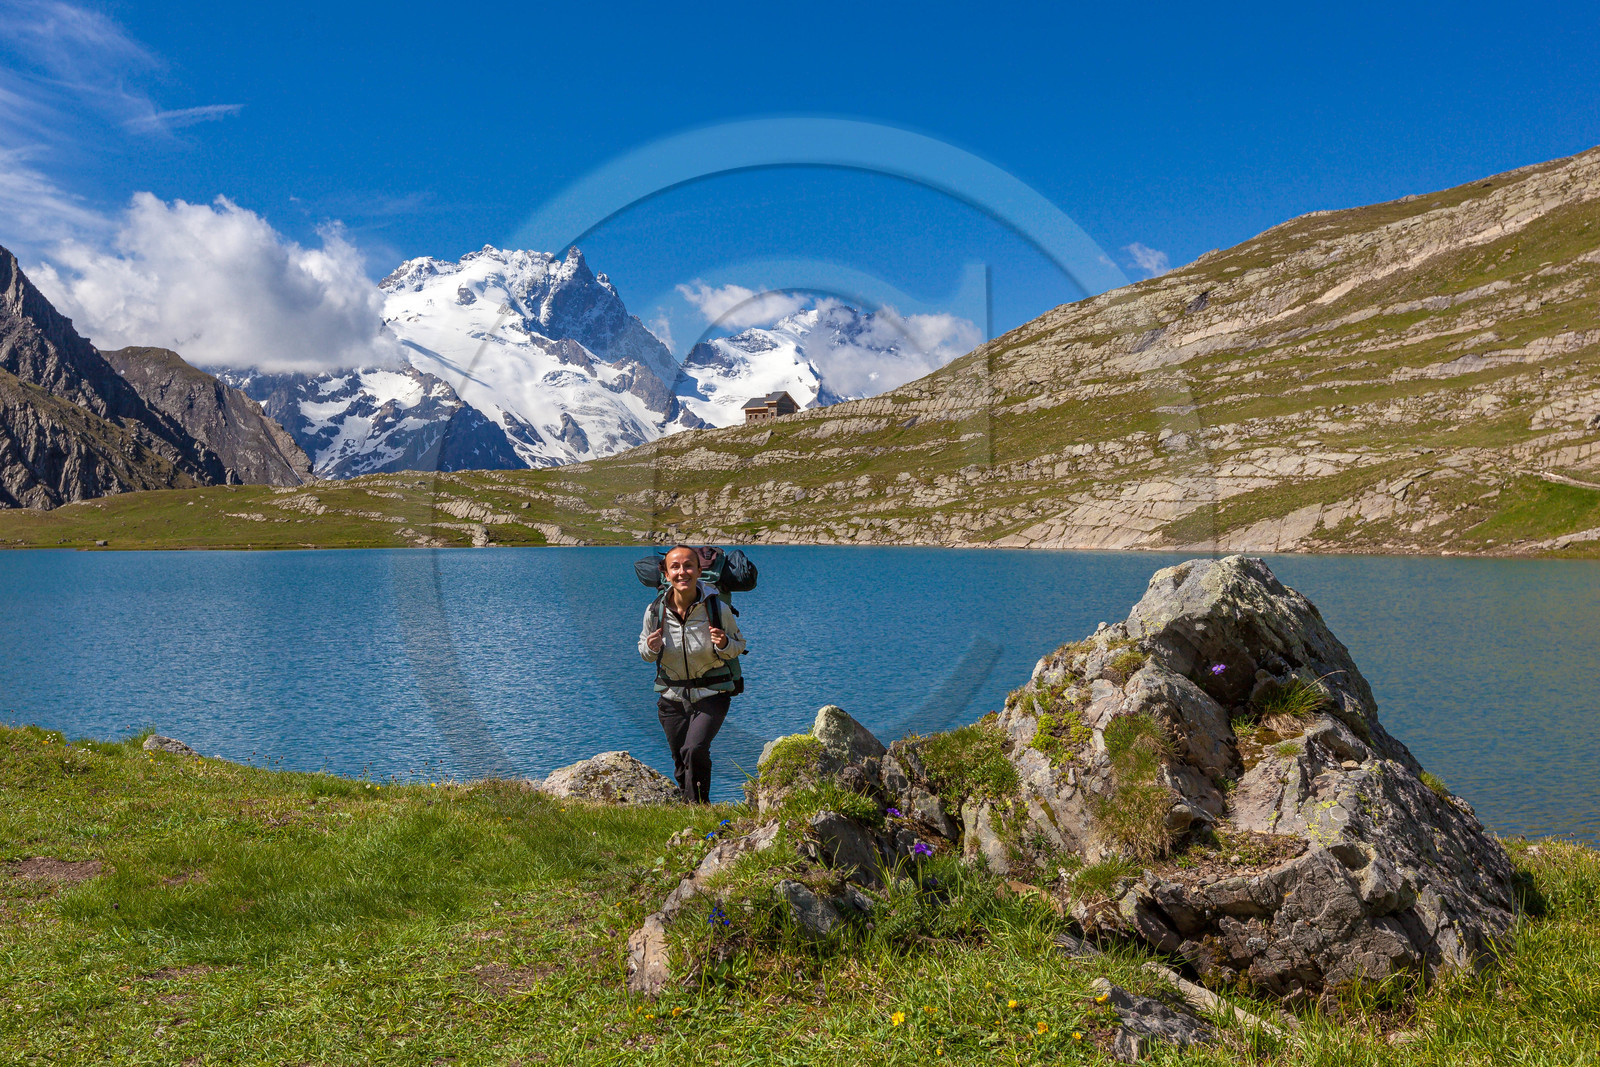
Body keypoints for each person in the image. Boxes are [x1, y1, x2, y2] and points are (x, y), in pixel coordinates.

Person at [639, 545, 745, 803]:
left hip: (712, 693)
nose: (682, 572)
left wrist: (723, 645)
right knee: (680, 758)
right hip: (671, 696)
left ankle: (698, 807)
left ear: (698, 571)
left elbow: (738, 646)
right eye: (675, 566)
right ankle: (690, 805)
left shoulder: (717, 609)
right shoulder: (655, 611)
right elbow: (643, 649)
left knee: (694, 749)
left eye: (688, 566)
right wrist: (651, 649)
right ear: (665, 574)